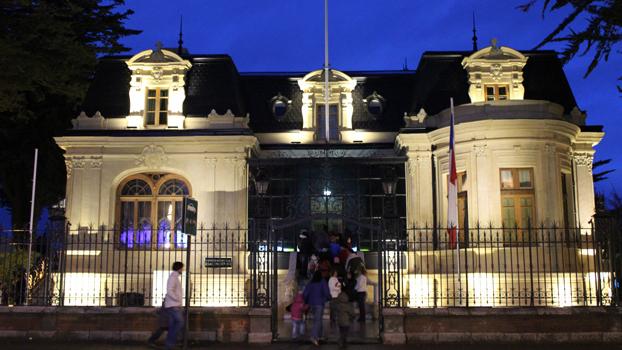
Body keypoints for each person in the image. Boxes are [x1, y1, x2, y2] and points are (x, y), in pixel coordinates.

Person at [303, 271, 330, 346]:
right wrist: (328, 298)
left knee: (318, 320)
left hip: (311, 304)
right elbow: (326, 292)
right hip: (319, 303)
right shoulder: (322, 281)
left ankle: (320, 336)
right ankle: (314, 336)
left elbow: (305, 293)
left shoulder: (311, 282)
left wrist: (306, 300)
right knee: (317, 320)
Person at [164, 261, 184, 350]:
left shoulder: (175, 277)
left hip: (172, 305)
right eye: (182, 268)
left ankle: (169, 345)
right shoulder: (173, 277)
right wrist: (177, 300)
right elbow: (170, 291)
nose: (183, 270)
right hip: (173, 306)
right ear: (179, 268)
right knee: (180, 322)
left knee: (172, 325)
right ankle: (170, 343)